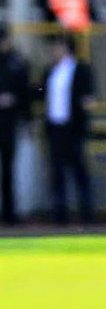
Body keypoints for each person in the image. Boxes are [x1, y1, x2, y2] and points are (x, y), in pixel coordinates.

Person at [42, 33, 95, 224]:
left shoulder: (80, 69)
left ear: (65, 47)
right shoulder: (49, 72)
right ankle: (60, 215)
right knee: (57, 173)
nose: (52, 51)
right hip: (55, 128)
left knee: (79, 171)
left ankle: (87, 213)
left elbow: (88, 96)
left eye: (56, 46)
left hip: (74, 128)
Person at [0, 23, 30, 225]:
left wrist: (26, 120)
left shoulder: (17, 63)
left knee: (8, 170)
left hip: (9, 123)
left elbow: (25, 94)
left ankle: (9, 213)